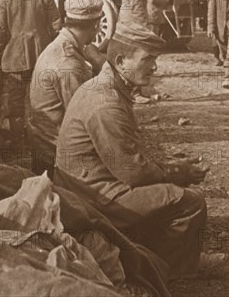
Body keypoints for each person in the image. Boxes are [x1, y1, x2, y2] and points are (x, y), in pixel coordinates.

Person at [55, 22, 220, 280]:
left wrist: (170, 166)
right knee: (190, 202)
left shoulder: (108, 88)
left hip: (90, 186)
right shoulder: (105, 103)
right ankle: (168, 272)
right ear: (121, 61)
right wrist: (179, 172)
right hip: (93, 197)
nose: (154, 67)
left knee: (165, 192)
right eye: (147, 59)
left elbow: (127, 155)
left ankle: (152, 254)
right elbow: (134, 174)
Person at [29, 0, 103, 177]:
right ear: (96, 25)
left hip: (45, 139)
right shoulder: (68, 63)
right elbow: (84, 116)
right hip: (56, 151)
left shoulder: (61, 45)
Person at [0, 0, 62, 147]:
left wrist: (0, 55)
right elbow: (57, 25)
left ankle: (17, 141)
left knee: (15, 103)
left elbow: (0, 32)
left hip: (14, 58)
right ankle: (40, 143)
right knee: (41, 101)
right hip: (42, 57)